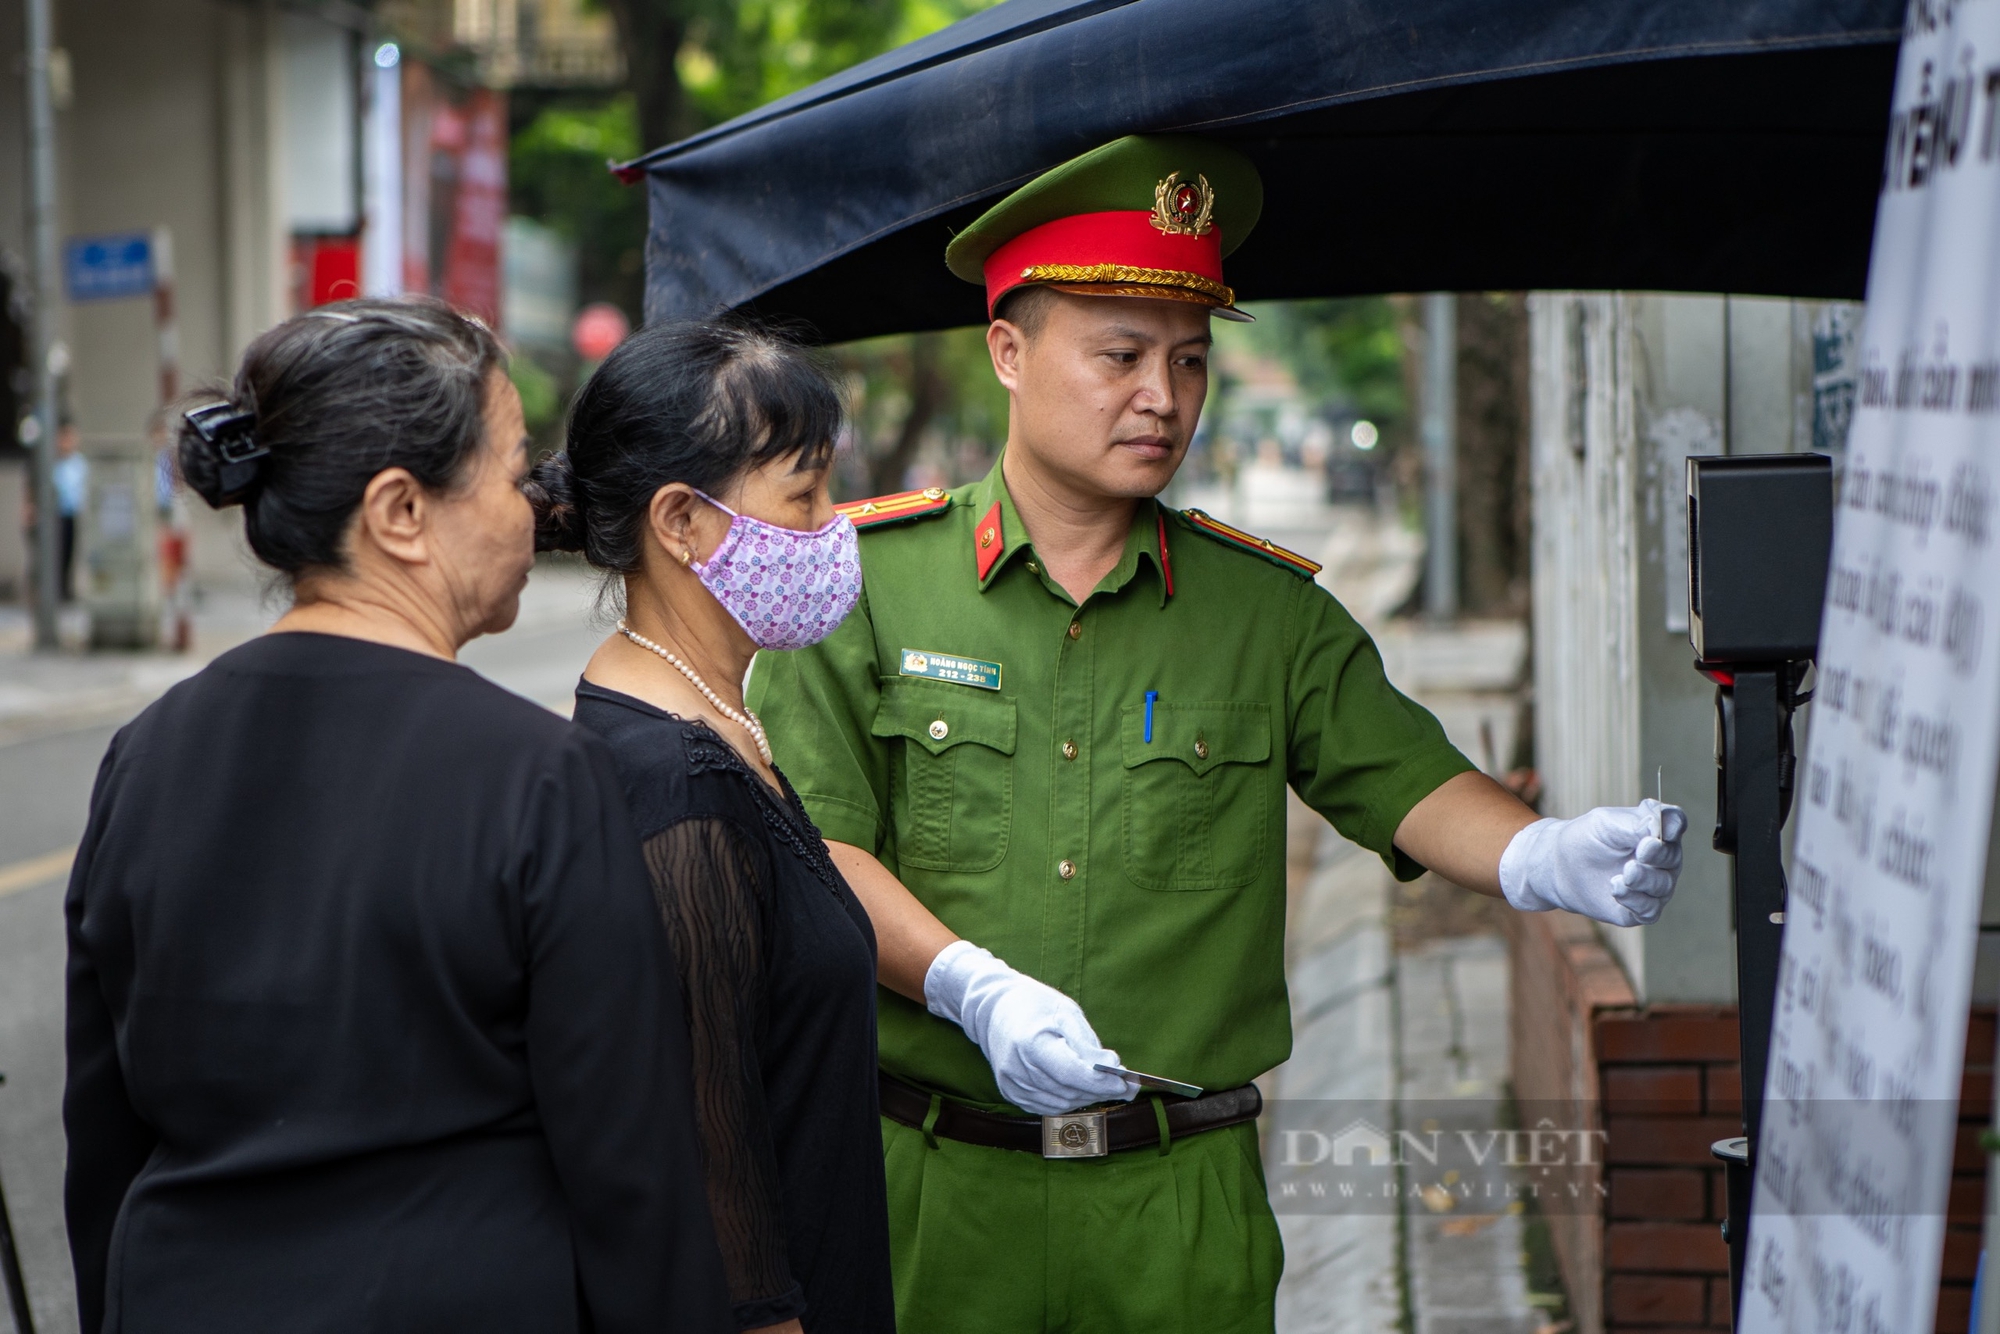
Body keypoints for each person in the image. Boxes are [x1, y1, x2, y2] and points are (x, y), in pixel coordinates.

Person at [746, 134, 1688, 1333]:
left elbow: (1402, 778)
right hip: (935, 1194)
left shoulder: (1263, 614)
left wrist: (1537, 855)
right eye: (1120, 356)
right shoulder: (864, 588)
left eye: (1189, 361)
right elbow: (815, 845)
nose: (1162, 396)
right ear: (1007, 351)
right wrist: (967, 986)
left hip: (1178, 1201)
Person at [63, 297, 732, 1334]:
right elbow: (630, 1174)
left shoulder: (143, 755)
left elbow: (102, 1137)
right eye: (515, 473)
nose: (537, 505)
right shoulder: (541, 773)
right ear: (398, 513)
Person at [530, 320, 894, 1334]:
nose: (832, 524)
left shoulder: (720, 719)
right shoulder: (673, 780)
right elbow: (714, 1194)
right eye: (803, 494)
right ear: (682, 522)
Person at [52, 417, 86, 601]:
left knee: (70, 553)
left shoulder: (79, 463)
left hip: (73, 514)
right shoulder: (52, 463)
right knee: (56, 553)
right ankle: (55, 589)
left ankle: (66, 589)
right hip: (56, 515)